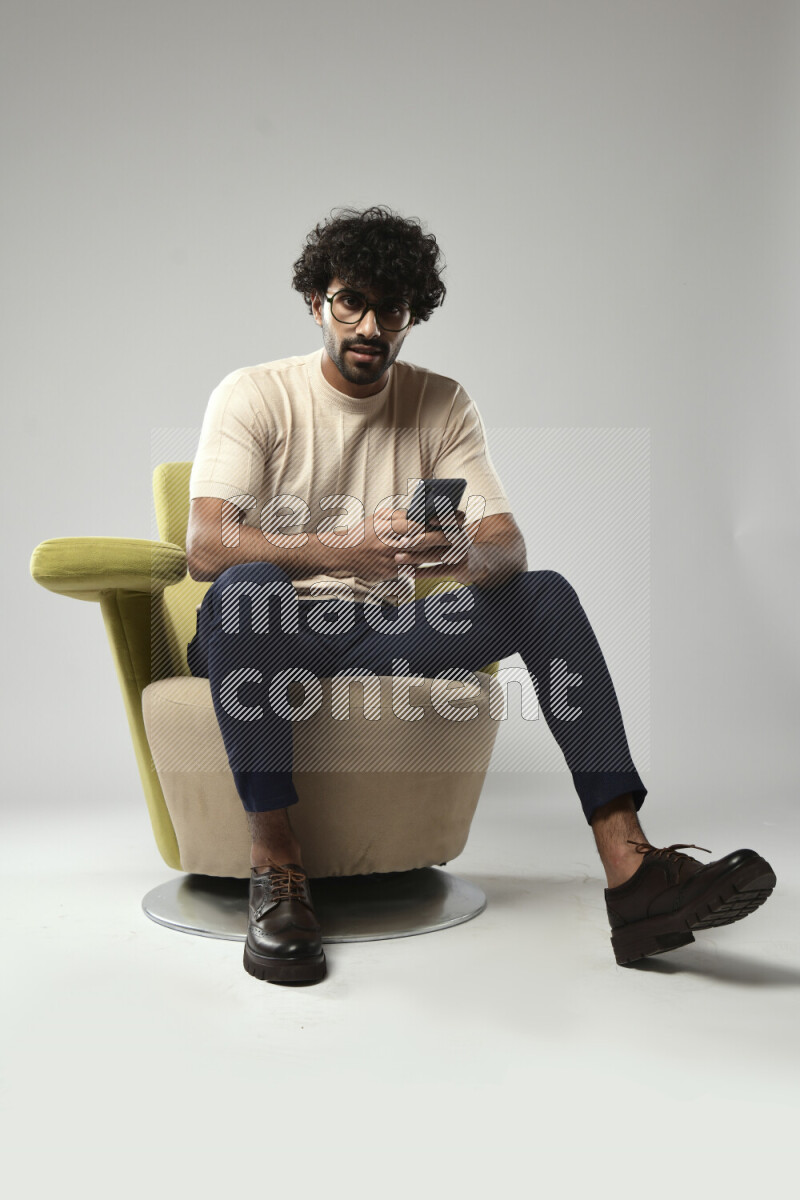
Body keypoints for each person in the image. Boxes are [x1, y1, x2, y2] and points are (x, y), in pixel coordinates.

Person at [185, 204, 776, 985]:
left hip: (385, 628)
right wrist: (342, 548)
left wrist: (460, 551)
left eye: (391, 309)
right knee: (245, 588)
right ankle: (276, 865)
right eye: (350, 302)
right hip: (272, 628)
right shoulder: (255, 395)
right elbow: (206, 546)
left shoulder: (443, 402)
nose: (369, 327)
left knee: (545, 595)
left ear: (412, 315)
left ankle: (631, 871)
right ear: (316, 302)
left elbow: (509, 548)